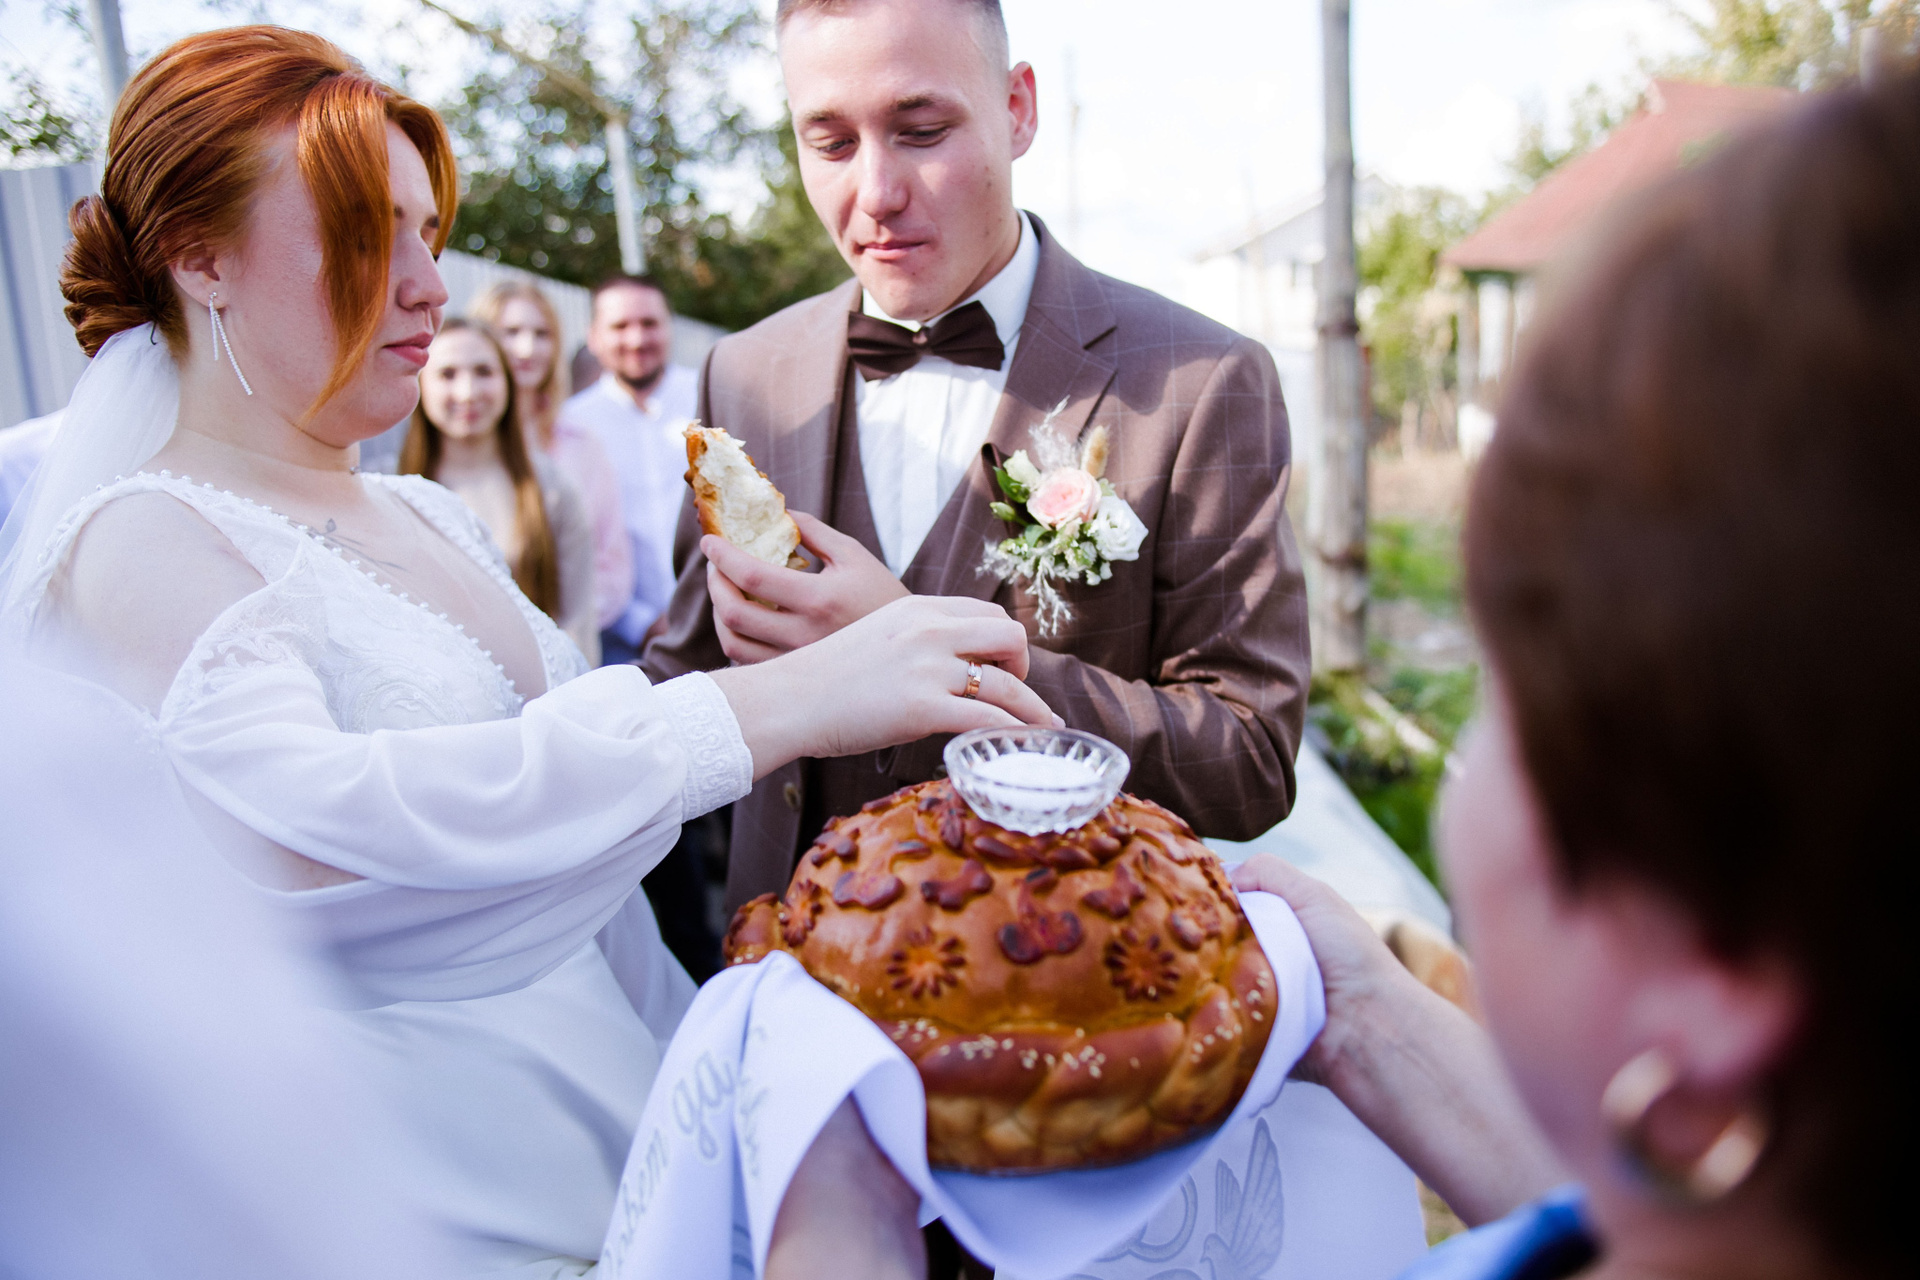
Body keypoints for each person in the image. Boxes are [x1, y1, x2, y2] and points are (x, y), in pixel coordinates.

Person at [828, 60, 1920, 1280]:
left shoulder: (1198, 376)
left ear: (1719, 986)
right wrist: (1363, 1012)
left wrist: (833, 1231)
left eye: (1507, 700)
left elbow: (1248, 733)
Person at [5, 26, 1053, 1276]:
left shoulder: (429, 512)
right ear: (200, 257)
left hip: (635, 1162)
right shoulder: (138, 535)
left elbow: (593, 896)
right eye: (366, 233)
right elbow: (323, 852)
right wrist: (780, 702)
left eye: (428, 233)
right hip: (418, 1218)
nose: (428, 285)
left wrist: (711, 1086)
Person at [644, 0, 1311, 913]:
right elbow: (681, 682)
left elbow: (1249, 764)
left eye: (921, 132)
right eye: (831, 144)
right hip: (779, 954)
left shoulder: (1201, 381)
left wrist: (932, 653)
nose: (875, 193)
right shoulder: (746, 372)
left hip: (1049, 963)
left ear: (1017, 109)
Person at [401, 317, 600, 662]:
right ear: (420, 383)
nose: (467, 392)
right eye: (447, 374)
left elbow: (578, 625)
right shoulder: (391, 486)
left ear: (507, 381)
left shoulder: (552, 488)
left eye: (483, 372)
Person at [469, 280, 636, 641]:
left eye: (541, 334)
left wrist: (555, 635)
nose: (528, 348)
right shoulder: (459, 447)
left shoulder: (582, 444)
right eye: (511, 332)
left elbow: (611, 565)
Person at [555, 274, 699, 667]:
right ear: (594, 336)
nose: (636, 340)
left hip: (720, 620)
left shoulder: (708, 397)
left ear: (669, 327)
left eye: (649, 323)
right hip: (622, 647)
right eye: (620, 326)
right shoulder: (572, 426)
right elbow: (576, 545)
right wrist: (641, 623)